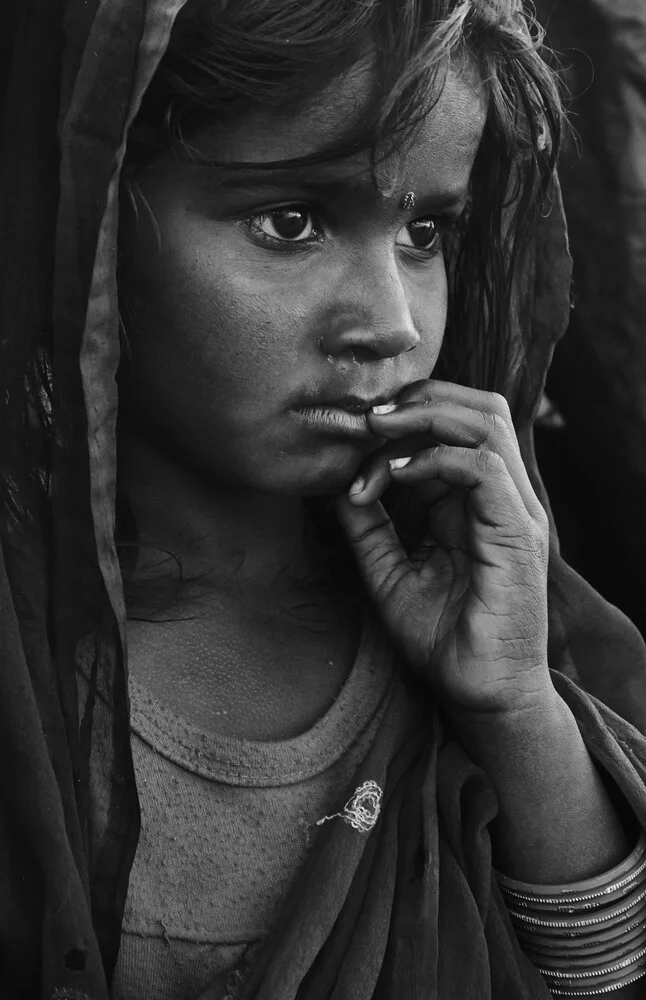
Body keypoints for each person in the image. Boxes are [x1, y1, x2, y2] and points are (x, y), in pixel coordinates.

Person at [2, 1, 646, 999]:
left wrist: (518, 709)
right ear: (89, 219)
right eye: (291, 222)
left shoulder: (496, 606)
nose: (391, 324)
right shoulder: (27, 666)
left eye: (426, 231)